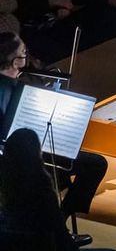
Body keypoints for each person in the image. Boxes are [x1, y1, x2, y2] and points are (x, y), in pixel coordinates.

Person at [0, 33, 108, 228]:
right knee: (96, 164)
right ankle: (59, 219)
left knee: (67, 171)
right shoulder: (14, 89)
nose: (27, 57)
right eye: (24, 53)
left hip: (22, 153)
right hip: (18, 158)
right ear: (16, 61)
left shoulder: (16, 84)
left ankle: (54, 220)